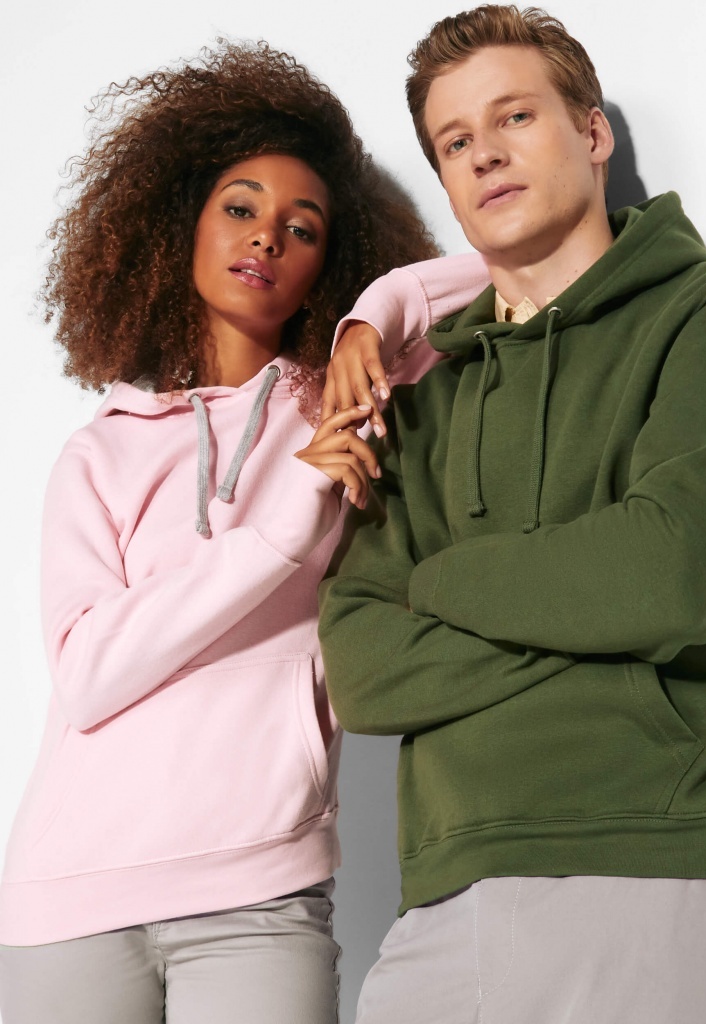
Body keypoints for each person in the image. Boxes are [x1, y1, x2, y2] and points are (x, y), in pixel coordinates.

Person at [319, 5, 706, 1022]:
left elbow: (671, 576)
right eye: (455, 141)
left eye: (514, 117)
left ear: (591, 132)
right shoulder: (424, 400)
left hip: (656, 865)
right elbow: (361, 665)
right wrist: (591, 616)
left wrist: (439, 583)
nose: (485, 154)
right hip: (441, 897)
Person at [0, 39, 489, 1024]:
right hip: (67, 895)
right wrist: (278, 532)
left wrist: (374, 316)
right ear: (177, 226)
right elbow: (89, 673)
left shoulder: (345, 404)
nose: (266, 236)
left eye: (302, 228)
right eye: (240, 208)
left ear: (325, 265)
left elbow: (515, 267)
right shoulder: (99, 452)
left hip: (259, 891)